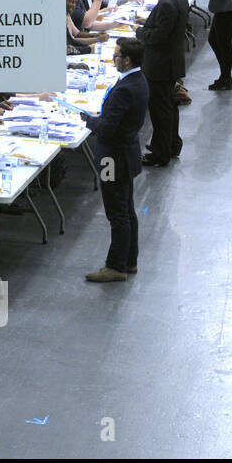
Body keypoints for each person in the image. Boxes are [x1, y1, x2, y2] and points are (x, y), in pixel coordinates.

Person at [78, 38, 149, 282]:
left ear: (127, 60)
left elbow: (107, 130)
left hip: (112, 159)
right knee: (127, 210)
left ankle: (116, 266)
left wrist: (90, 120)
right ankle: (129, 260)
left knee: (116, 212)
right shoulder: (137, 81)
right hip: (125, 154)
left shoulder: (125, 88)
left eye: (117, 55)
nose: (113, 58)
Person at [136, 0, 188, 167]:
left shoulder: (167, 3)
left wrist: (141, 33)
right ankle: (172, 144)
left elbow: (159, 37)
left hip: (160, 65)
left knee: (160, 111)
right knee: (169, 107)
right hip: (171, 62)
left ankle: (160, 152)